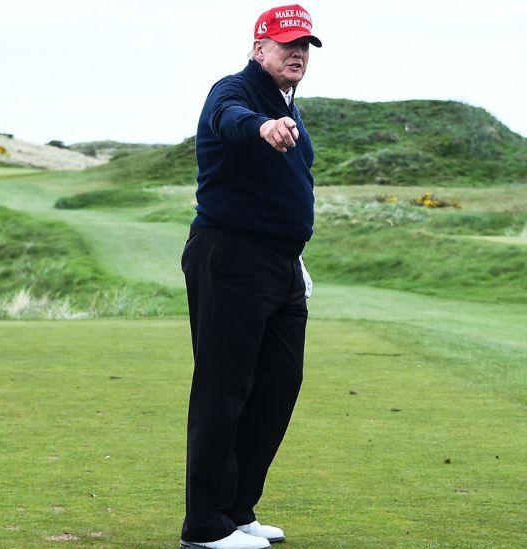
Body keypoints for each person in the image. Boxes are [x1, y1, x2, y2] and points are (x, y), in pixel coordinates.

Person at [179, 5, 321, 549]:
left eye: (305, 45)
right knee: (224, 388)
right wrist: (261, 126)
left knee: (280, 384)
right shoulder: (234, 91)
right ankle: (204, 525)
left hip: (280, 265)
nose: (297, 53)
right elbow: (229, 120)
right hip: (230, 255)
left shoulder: (290, 107)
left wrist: (294, 257)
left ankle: (238, 510)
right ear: (259, 48)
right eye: (286, 43)